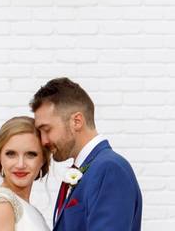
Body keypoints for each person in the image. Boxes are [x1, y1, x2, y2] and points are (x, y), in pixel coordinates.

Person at [31, 78, 142, 231]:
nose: (43, 141)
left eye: (47, 129)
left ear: (76, 121)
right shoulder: (86, 168)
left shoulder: (109, 169)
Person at [0, 116, 52, 231]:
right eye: (11, 154)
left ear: (43, 159)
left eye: (31, 154)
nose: (20, 165)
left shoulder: (24, 207)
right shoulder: (2, 207)